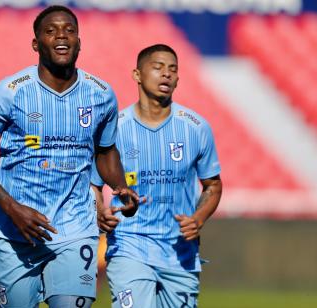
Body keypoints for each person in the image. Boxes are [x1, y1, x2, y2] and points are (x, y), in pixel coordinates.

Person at [0, 5, 138, 308]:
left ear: (79, 42)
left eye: (69, 30)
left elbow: (105, 152)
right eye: (51, 30)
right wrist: (10, 206)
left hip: (76, 229)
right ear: (35, 43)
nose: (61, 36)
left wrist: (121, 186)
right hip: (16, 231)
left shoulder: (101, 94)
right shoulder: (9, 93)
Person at [91, 44, 223, 308]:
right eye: (158, 67)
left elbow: (213, 185)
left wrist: (198, 219)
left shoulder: (196, 128)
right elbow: (93, 185)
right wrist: (99, 211)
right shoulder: (114, 129)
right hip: (130, 246)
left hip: (180, 252)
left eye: (173, 70)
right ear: (137, 74)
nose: (166, 75)